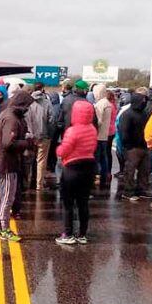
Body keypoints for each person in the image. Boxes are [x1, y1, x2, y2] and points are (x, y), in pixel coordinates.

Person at [0, 91, 34, 242]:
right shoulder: (11, 119)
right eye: (27, 106)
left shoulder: (6, 114)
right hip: (7, 163)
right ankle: (5, 229)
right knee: (7, 197)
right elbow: (8, 143)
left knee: (1, 196)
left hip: (1, 161)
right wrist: (27, 142)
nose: (28, 109)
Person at [55, 101, 98, 245]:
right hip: (89, 167)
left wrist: (58, 150)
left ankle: (67, 234)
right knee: (83, 202)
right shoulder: (92, 129)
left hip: (72, 168)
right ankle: (82, 234)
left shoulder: (72, 131)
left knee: (68, 203)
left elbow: (63, 151)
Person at [119, 93, 151, 201]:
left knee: (145, 170)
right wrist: (127, 146)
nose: (144, 102)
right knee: (130, 170)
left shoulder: (145, 113)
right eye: (142, 101)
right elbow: (123, 131)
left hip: (144, 146)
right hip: (132, 148)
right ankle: (128, 192)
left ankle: (142, 190)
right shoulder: (127, 114)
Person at [27, 83, 55, 191]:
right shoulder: (47, 103)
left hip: (30, 136)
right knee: (41, 161)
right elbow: (52, 120)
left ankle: (27, 182)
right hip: (44, 135)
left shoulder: (28, 103)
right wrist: (50, 134)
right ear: (42, 89)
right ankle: (39, 184)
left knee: (29, 160)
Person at [93, 84, 113, 188]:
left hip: (98, 135)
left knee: (97, 158)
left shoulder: (100, 104)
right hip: (105, 135)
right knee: (104, 157)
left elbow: (98, 121)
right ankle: (104, 175)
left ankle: (97, 176)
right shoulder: (108, 103)